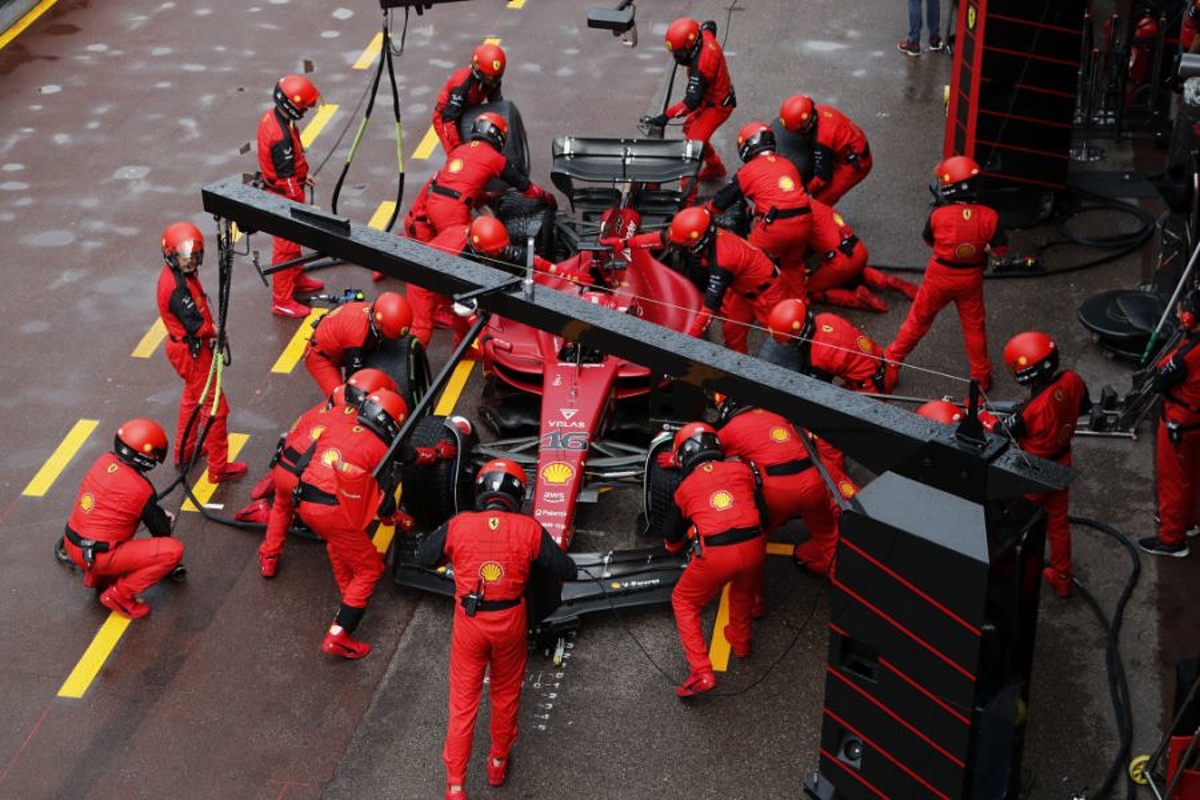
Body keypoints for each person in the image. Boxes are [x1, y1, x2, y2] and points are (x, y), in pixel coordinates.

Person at [418, 459, 577, 798]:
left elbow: (424, 557)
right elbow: (567, 568)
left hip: (470, 623)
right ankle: (497, 763)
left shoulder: (459, 524)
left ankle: (455, 784)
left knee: (462, 703)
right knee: (505, 696)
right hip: (510, 622)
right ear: (518, 495)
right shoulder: (529, 529)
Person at [295, 389, 411, 659]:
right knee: (370, 568)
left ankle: (348, 595)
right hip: (334, 510)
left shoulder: (339, 428)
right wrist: (396, 519)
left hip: (305, 502)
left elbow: (302, 465)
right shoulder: (381, 449)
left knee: (338, 543)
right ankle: (340, 634)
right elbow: (381, 503)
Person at [248, 369, 394, 578]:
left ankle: (269, 557)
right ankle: (359, 558)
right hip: (307, 477)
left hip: (284, 468)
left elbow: (293, 437)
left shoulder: (326, 407)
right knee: (343, 516)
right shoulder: (354, 422)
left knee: (282, 507)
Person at [883, 156, 1007, 392]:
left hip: (939, 276)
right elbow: (1000, 249)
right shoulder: (991, 217)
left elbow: (928, 240)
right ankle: (981, 378)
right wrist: (983, 247)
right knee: (974, 328)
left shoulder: (937, 216)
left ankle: (892, 360)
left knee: (917, 321)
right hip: (970, 279)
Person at [660, 422, 766, 698]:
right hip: (754, 544)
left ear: (683, 455)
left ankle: (701, 672)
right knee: (742, 591)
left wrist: (678, 543)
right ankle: (741, 642)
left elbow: (671, 537)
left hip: (716, 553)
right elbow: (761, 510)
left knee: (683, 601)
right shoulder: (742, 469)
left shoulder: (684, 488)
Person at [995, 332, 1092, 596]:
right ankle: (1062, 578)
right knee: (1058, 523)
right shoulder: (1073, 380)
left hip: (1032, 475)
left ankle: (1003, 579)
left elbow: (1001, 433)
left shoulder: (1031, 411)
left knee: (1009, 525)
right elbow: (1083, 406)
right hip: (1062, 463)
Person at [59, 419, 183, 620]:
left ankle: (98, 578)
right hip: (98, 556)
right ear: (145, 457)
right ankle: (119, 596)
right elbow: (161, 532)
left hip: (73, 543)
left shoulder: (104, 461)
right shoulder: (141, 488)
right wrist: (159, 516)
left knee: (112, 529)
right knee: (172, 551)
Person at [620, 206, 785, 353]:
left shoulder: (722, 261)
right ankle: (737, 376)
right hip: (743, 290)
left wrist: (687, 341)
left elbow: (708, 311)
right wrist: (626, 243)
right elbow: (663, 239)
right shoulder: (706, 235)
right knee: (731, 331)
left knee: (781, 340)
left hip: (768, 294)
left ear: (698, 243)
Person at [156, 221, 247, 482]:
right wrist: (215, 332)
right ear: (171, 256)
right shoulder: (175, 287)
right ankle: (218, 468)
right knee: (216, 407)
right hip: (192, 352)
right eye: (185, 257)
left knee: (192, 397)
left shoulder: (179, 276)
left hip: (188, 350)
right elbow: (196, 326)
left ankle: (184, 452)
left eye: (194, 256)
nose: (191, 262)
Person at [715, 398, 841, 577]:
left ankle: (752, 596)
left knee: (752, 541)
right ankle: (845, 588)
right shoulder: (777, 414)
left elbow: (704, 453)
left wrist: (673, 457)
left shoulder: (730, 430)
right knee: (829, 538)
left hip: (779, 493)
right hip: (813, 482)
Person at [708, 121, 812, 285]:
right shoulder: (788, 165)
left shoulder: (748, 171)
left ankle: (735, 308)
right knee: (794, 266)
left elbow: (721, 202)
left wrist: (706, 211)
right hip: (805, 222)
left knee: (747, 265)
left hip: (777, 226)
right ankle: (798, 304)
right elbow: (791, 195)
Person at [257, 74, 325, 318]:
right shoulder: (281, 138)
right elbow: (285, 178)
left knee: (293, 242)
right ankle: (282, 300)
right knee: (286, 248)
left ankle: (297, 277)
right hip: (284, 197)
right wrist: (300, 205)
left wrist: (301, 175)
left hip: (285, 188)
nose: (306, 110)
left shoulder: (275, 118)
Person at [423, 112, 556, 236]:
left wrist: (487, 200)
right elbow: (524, 185)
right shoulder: (494, 158)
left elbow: (463, 185)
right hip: (452, 213)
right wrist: (546, 197)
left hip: (432, 204)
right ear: (498, 137)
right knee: (475, 252)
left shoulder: (458, 151)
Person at [1141, 290, 1200, 558]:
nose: (1177, 315)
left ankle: (1172, 539)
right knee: (1194, 476)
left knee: (1174, 482)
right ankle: (1189, 520)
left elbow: (1159, 380)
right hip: (1195, 421)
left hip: (1181, 423)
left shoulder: (1186, 356)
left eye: (1180, 311)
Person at [643, 18, 736, 181]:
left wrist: (665, 116)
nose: (678, 57)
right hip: (710, 99)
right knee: (689, 127)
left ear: (691, 47)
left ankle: (687, 199)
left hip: (717, 107)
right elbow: (711, 24)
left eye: (680, 53)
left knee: (690, 151)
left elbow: (691, 102)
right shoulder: (703, 34)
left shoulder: (702, 65)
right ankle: (715, 167)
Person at [409, 216, 513, 349]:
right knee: (421, 331)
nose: (498, 254)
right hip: (422, 279)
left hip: (442, 271)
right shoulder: (459, 261)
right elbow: (463, 302)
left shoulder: (472, 236)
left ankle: (463, 348)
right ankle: (412, 362)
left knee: (460, 321)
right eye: (494, 253)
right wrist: (483, 337)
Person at [802, 199, 918, 312]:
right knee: (855, 271)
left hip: (840, 265)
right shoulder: (813, 203)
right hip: (859, 251)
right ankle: (885, 280)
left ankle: (855, 298)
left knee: (807, 289)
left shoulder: (795, 217)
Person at [759, 298, 889, 394]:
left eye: (788, 341)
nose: (786, 345)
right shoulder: (825, 318)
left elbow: (819, 391)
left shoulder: (819, 356)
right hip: (880, 358)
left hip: (871, 387)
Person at [303, 292, 413, 398]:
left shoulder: (378, 312)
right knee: (342, 400)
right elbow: (353, 383)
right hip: (320, 357)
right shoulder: (357, 340)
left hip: (339, 338)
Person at [778, 95, 873, 206]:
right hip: (844, 147)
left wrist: (803, 191)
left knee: (821, 200)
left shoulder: (824, 139)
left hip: (855, 164)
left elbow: (823, 176)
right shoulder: (818, 110)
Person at [432, 41, 506, 154]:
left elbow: (496, 105)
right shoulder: (461, 85)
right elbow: (448, 121)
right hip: (446, 117)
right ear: (478, 73)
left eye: (496, 78)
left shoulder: (492, 81)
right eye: (489, 79)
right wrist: (458, 148)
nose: (493, 83)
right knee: (458, 155)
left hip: (469, 109)